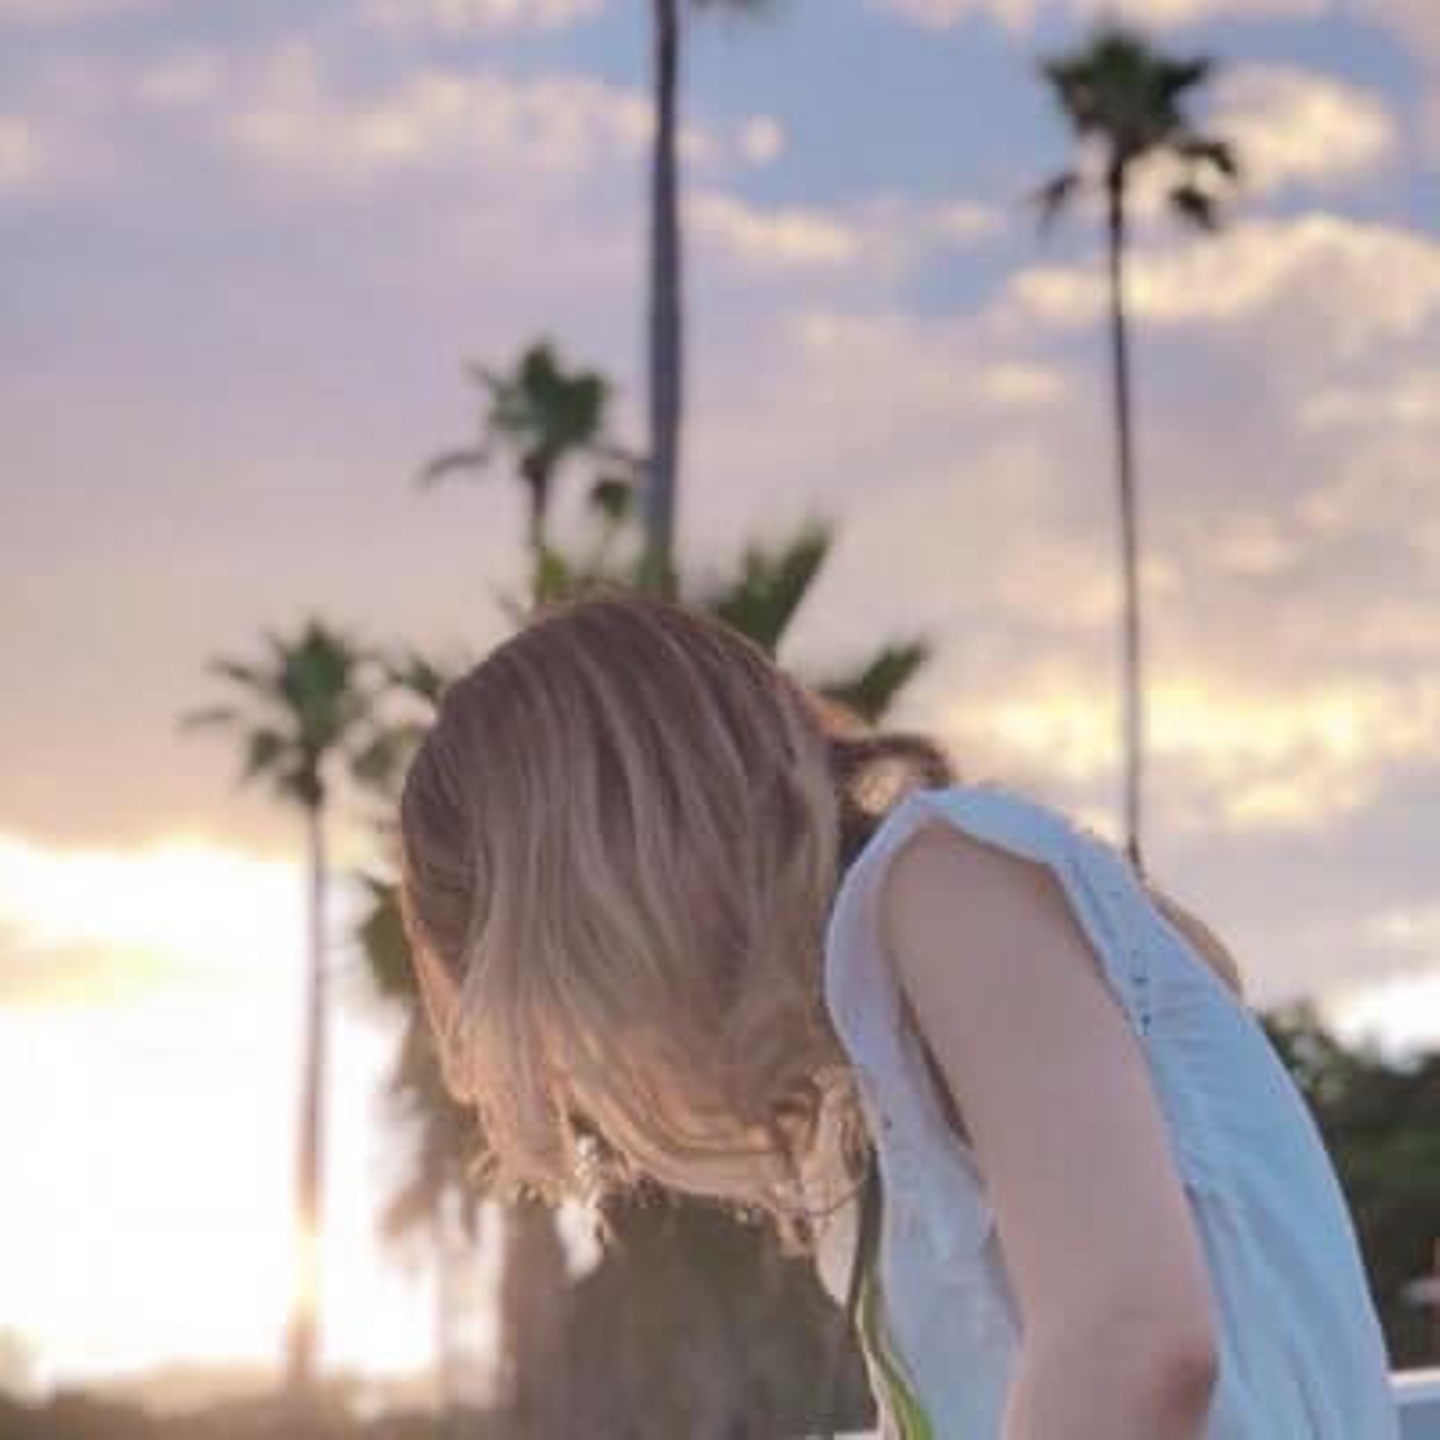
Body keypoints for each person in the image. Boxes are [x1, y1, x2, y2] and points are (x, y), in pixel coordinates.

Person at [396, 586, 1401, 1439]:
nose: (600, 1041)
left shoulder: (947, 884)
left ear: (603, 888)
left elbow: (1134, 1341)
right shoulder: (870, 1077)